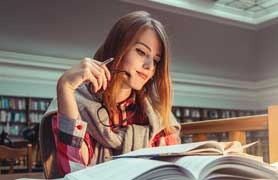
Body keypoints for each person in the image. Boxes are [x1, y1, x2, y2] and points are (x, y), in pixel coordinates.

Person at [40, 11, 181, 178]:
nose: (149, 65)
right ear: (117, 46)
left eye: (156, 60)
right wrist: (65, 87)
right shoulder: (72, 103)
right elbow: (74, 171)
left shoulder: (159, 117)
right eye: (141, 52)